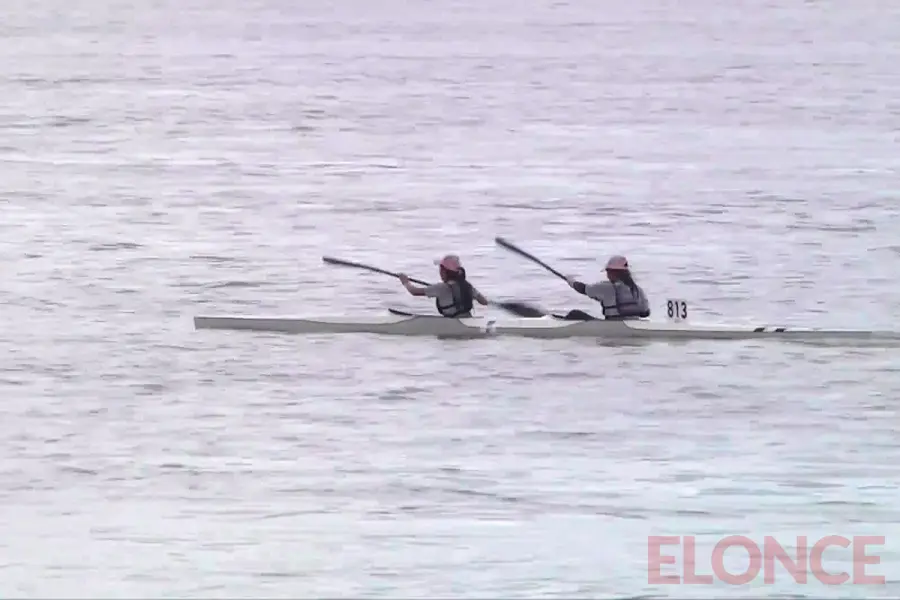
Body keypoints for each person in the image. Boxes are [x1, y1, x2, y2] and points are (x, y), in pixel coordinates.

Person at [398, 254, 489, 318]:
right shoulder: (467, 286)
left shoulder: (441, 287)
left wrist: (405, 282)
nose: (440, 272)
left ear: (445, 272)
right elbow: (484, 301)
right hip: (468, 319)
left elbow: (414, 291)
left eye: (441, 270)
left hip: (453, 322)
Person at [563, 255, 650, 320]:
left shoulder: (605, 287)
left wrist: (571, 282)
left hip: (612, 326)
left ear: (611, 272)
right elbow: (645, 313)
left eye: (608, 272)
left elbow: (582, 289)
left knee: (574, 314)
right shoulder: (637, 289)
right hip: (634, 324)